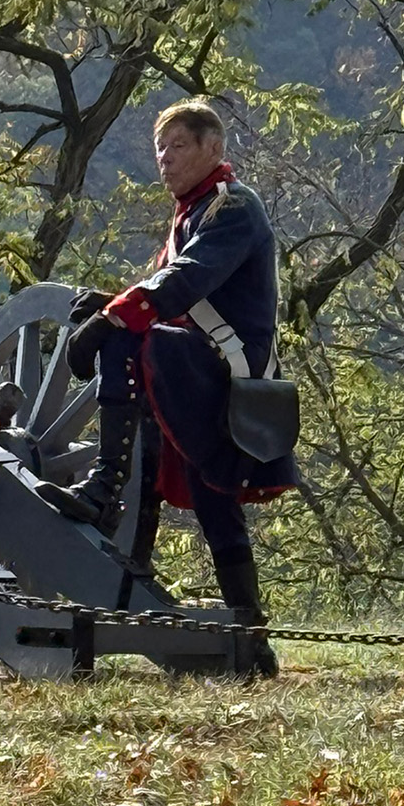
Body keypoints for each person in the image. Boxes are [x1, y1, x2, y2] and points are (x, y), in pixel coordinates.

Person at [34, 99, 299, 677]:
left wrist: (110, 322)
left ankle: (104, 487)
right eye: (161, 146)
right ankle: (248, 645)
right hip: (184, 368)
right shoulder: (191, 214)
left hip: (222, 370)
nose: (165, 157)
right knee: (195, 493)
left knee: (132, 339)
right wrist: (105, 307)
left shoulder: (233, 208)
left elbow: (183, 284)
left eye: (178, 145)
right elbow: (161, 293)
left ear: (213, 147)